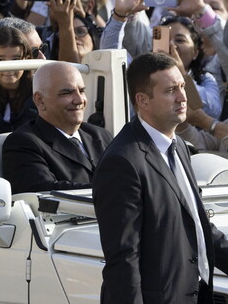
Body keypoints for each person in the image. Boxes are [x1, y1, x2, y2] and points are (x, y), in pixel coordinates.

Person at [94, 52, 228, 303]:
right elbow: (123, 258)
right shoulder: (122, 162)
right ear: (142, 100)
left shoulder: (177, 146)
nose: (182, 97)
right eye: (170, 91)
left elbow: (198, 226)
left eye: (181, 86)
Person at [2, 62, 113, 194]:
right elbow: (42, 191)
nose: (79, 100)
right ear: (40, 101)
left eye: (82, 91)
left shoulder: (100, 135)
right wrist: (110, 190)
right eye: (67, 93)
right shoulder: (23, 143)